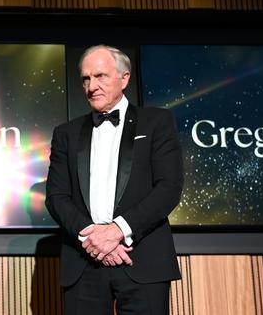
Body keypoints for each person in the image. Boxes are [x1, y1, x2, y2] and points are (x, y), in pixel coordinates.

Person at [45, 45, 183, 314]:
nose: (91, 86)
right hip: (84, 263)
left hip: (141, 259)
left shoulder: (157, 121)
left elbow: (168, 188)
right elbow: (56, 197)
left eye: (100, 76)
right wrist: (95, 240)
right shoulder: (66, 133)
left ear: (125, 78)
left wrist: (117, 231)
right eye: (86, 79)